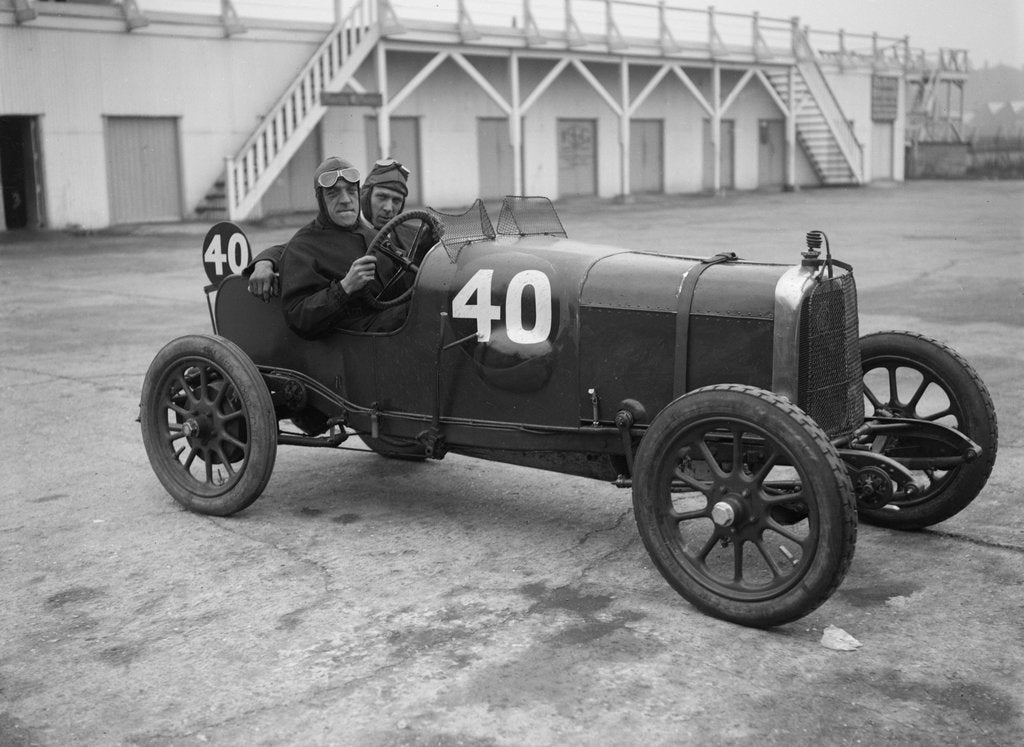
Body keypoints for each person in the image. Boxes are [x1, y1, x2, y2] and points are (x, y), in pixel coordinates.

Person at [244, 157, 413, 301]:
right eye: (382, 197)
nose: (389, 208)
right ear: (365, 195)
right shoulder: (332, 226)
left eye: (397, 201)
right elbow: (298, 248)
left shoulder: (413, 234)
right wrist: (264, 263)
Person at [277, 156, 405, 338]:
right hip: (355, 339)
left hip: (389, 327)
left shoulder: (374, 235)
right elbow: (298, 318)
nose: (345, 200)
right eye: (333, 193)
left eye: (351, 191)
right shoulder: (303, 246)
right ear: (321, 199)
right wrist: (345, 287)